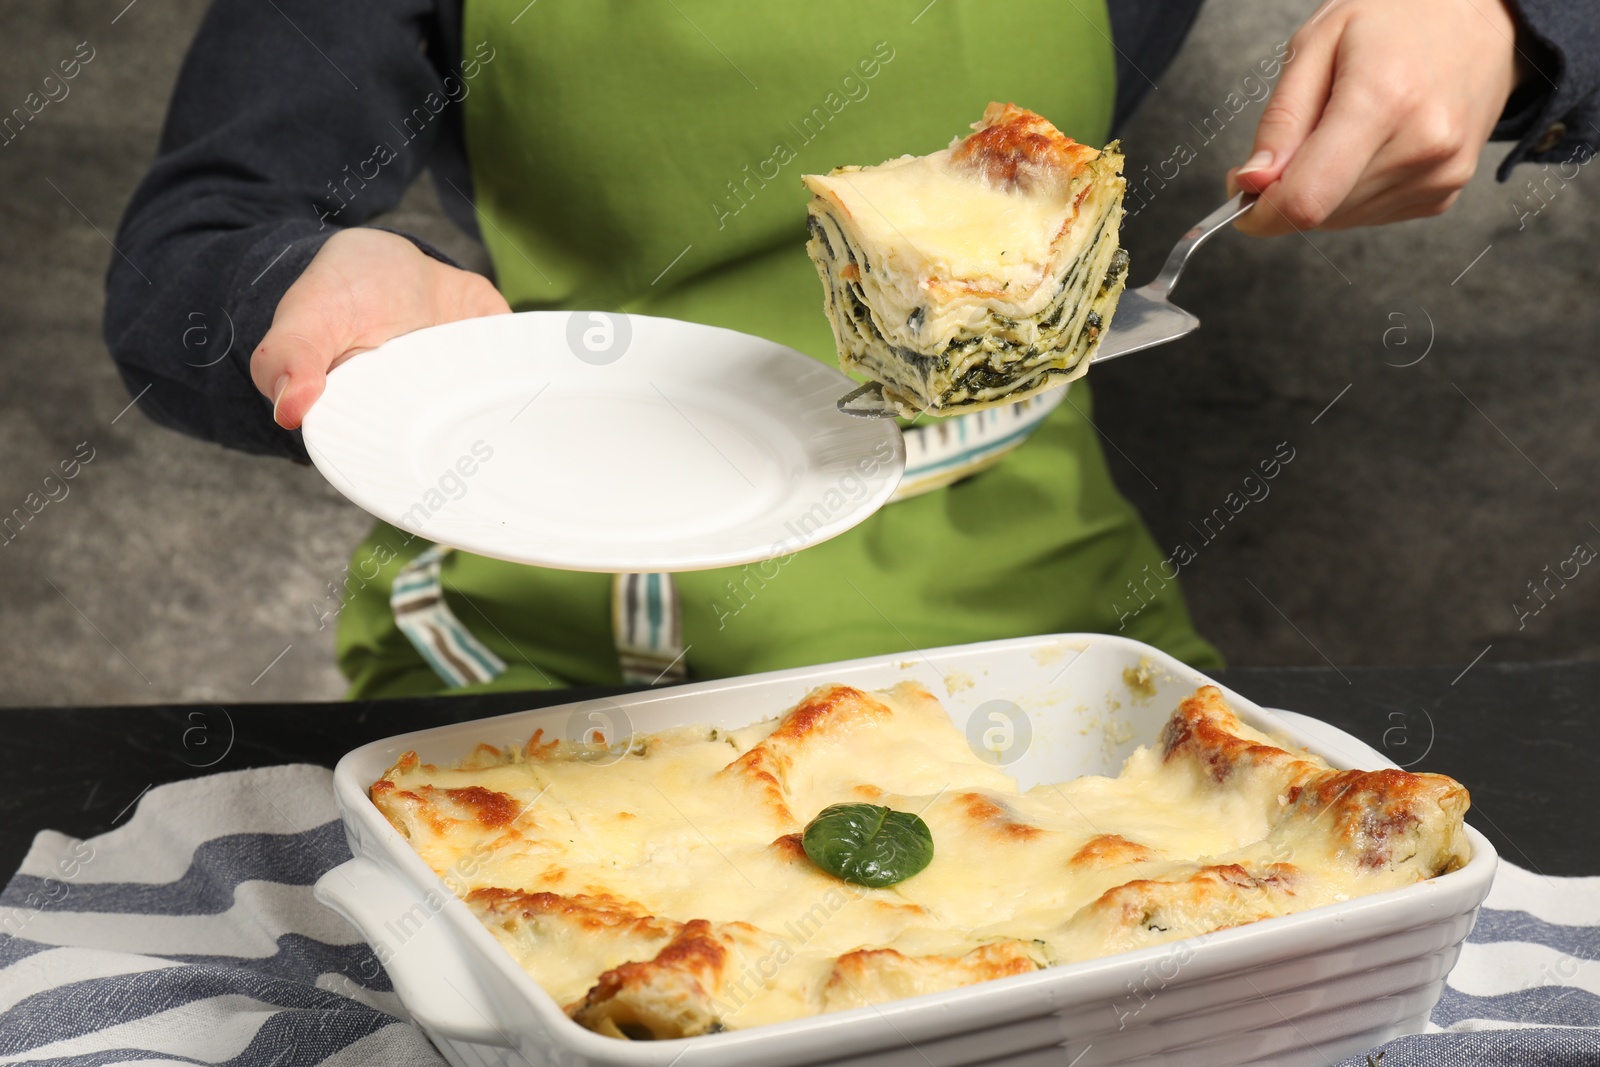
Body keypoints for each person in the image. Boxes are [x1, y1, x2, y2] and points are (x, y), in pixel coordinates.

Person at [106, 0, 1597, 698]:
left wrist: (1510, 28)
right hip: (547, 666)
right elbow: (192, 253)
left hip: (1039, 654)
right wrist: (297, 283)